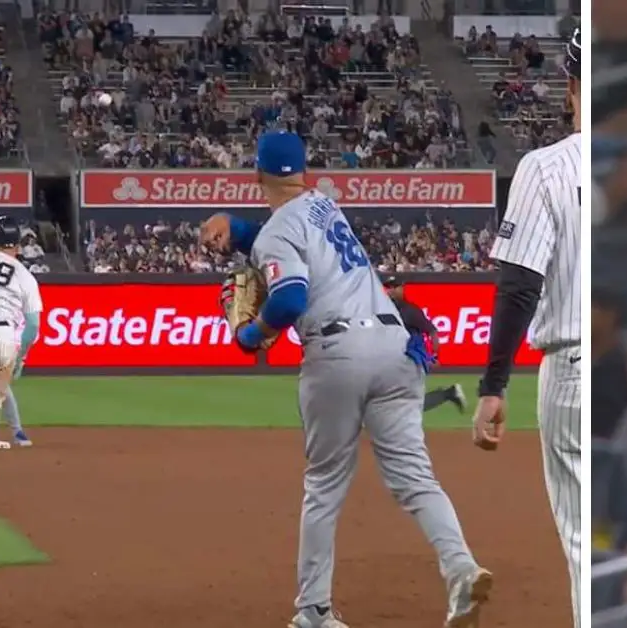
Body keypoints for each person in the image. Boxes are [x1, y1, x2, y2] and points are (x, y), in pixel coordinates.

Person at [199, 131, 492, 628]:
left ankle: (313, 610)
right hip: (395, 348)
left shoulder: (276, 233)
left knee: (324, 484)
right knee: (416, 479)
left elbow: (289, 298)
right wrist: (235, 227)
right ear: (304, 173)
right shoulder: (323, 206)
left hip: (338, 352)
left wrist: (253, 333)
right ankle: (460, 568)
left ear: (255, 176)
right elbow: (282, 232)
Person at [471, 28, 582, 628]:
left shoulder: (547, 169)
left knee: (584, 541)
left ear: (570, 89)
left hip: (574, 373)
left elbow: (519, 286)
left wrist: (493, 386)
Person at [0, 216, 40, 458]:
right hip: (2, 338)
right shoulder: (25, 275)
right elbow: (33, 325)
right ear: (18, 244)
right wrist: (21, 359)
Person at [383, 275, 467, 414]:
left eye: (394, 287)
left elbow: (432, 332)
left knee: (407, 406)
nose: (391, 291)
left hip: (410, 362)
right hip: (395, 362)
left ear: (402, 288)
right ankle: (449, 393)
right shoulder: (387, 310)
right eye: (388, 287)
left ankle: (449, 394)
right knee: (405, 404)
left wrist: (434, 356)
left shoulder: (411, 311)